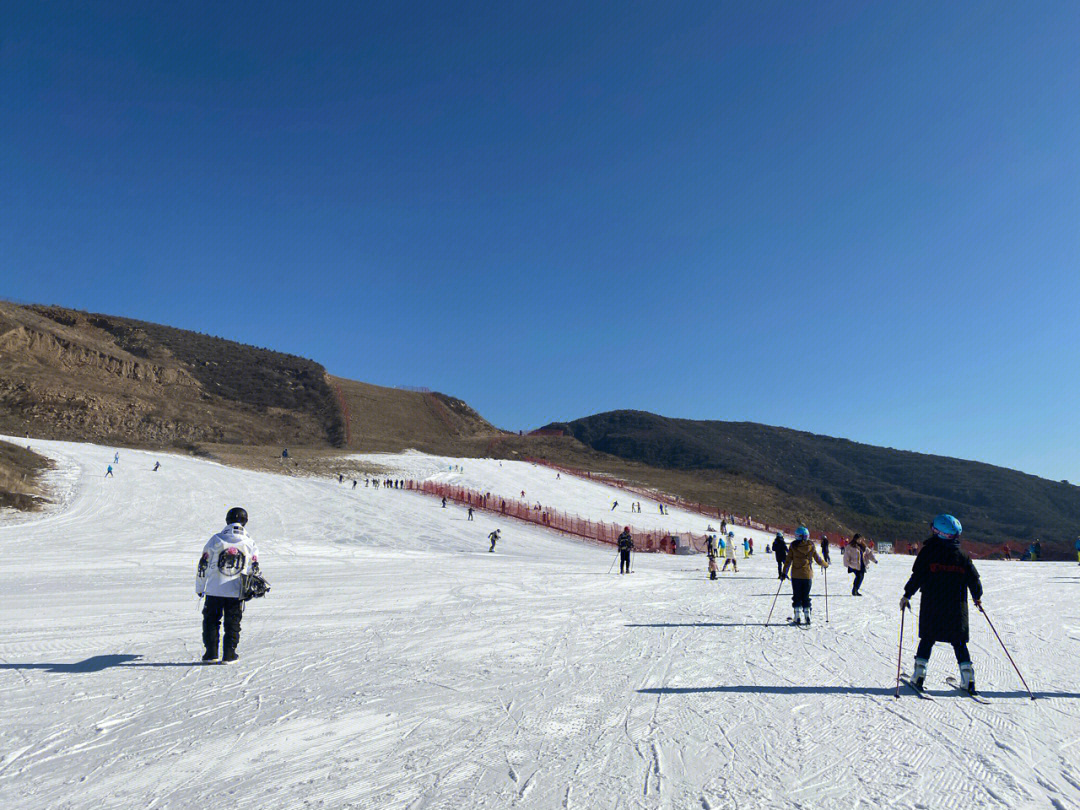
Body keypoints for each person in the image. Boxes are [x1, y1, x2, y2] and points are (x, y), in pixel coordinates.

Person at [900, 514, 982, 694]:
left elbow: (918, 576)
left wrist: (907, 594)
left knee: (928, 638)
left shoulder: (928, 552)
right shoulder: (962, 555)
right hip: (957, 606)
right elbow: (974, 580)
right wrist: (977, 597)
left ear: (939, 532)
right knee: (959, 641)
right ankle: (968, 679)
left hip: (932, 604)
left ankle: (919, 675)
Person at [196, 507, 260, 663]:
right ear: (245, 522)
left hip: (214, 589)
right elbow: (255, 568)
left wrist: (200, 588)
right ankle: (229, 654)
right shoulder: (250, 542)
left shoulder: (215, 539)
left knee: (211, 621)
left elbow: (203, 565)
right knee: (233, 622)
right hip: (236, 590)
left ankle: (211, 654)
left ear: (227, 520)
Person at [781, 526, 827, 625]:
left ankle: (797, 615)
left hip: (796, 575)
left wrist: (784, 572)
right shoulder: (811, 545)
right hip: (807, 575)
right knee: (806, 595)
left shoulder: (793, 546)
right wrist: (825, 564)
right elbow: (818, 559)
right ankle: (807, 615)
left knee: (797, 595)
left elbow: (788, 560)